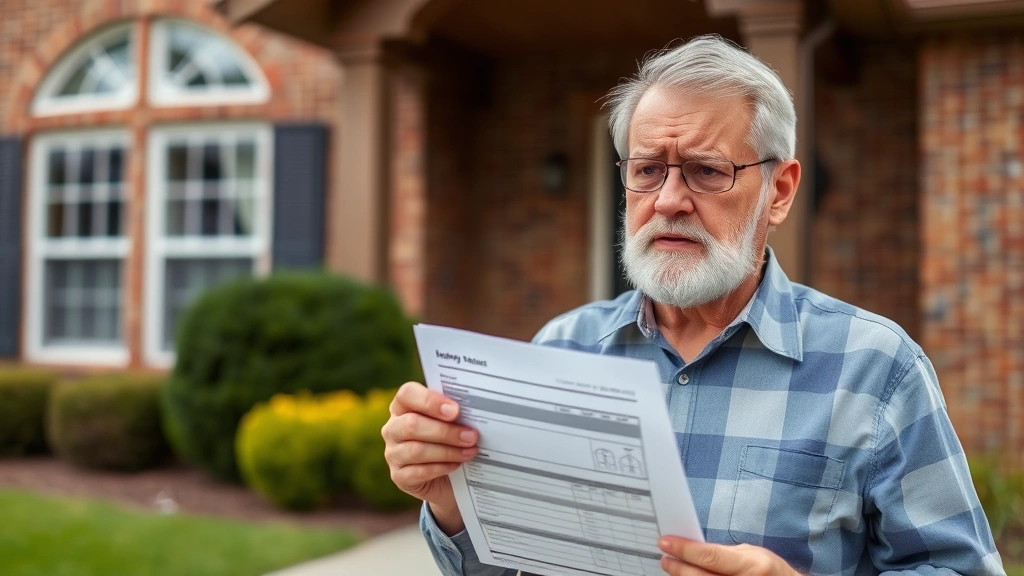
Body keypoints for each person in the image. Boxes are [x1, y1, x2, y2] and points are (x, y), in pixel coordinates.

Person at [381, 34, 1005, 576]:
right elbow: (494, 566)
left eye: (707, 172)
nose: (670, 199)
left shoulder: (874, 367)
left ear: (779, 192)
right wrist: (452, 505)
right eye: (649, 170)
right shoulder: (564, 347)